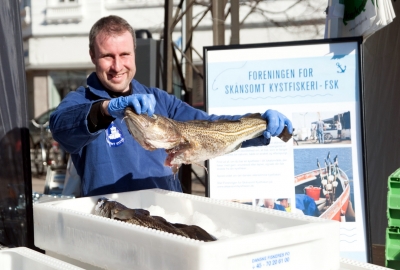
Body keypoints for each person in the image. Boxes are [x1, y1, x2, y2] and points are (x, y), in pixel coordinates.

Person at [49, 15, 293, 197]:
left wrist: (258, 126)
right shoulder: (81, 100)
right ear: (92, 55)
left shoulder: (159, 100)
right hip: (116, 220)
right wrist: (105, 109)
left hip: (167, 211)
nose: (117, 65)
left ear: (134, 52)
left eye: (124, 54)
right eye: (107, 56)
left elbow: (209, 127)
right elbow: (60, 126)